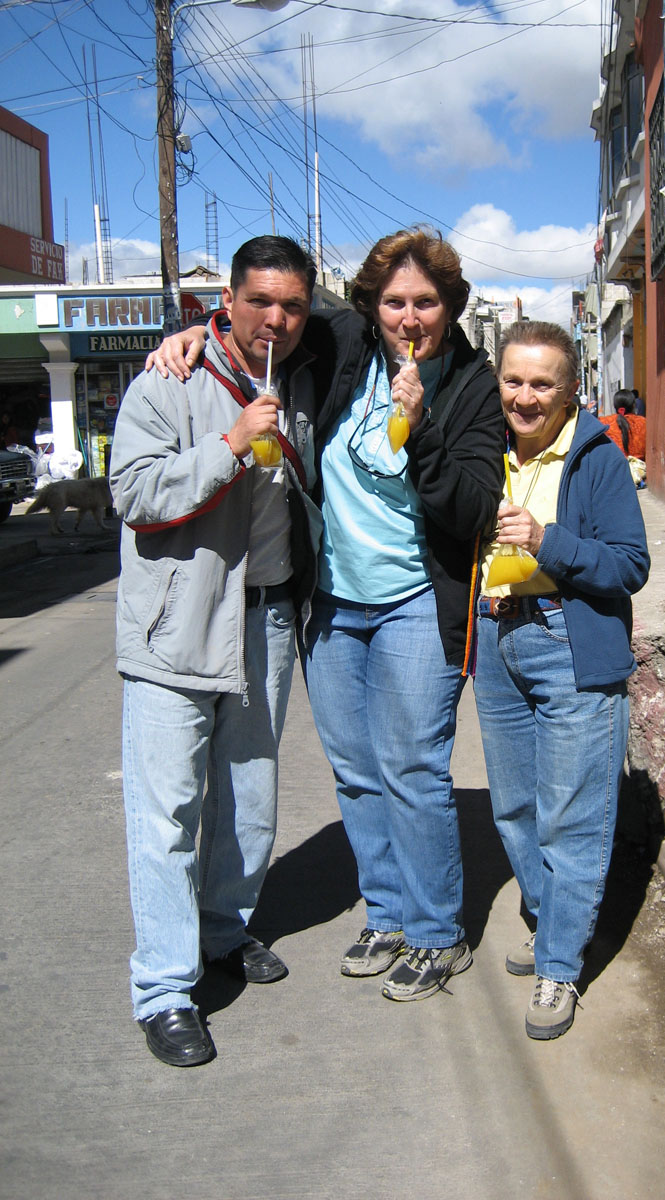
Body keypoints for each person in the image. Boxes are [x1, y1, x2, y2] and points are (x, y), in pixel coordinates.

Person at [148, 228, 505, 1003]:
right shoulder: (344, 344)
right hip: (333, 603)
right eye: (394, 301)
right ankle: (387, 913)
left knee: (412, 767)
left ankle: (437, 931)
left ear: (450, 307)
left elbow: (473, 507)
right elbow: (262, 322)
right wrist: (195, 334)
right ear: (371, 306)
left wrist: (424, 427)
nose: (409, 317)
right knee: (356, 770)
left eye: (426, 302)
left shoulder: (472, 383)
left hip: (416, 602)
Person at [111, 235, 322, 1067]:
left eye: (293, 306)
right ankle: (166, 990)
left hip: (264, 622)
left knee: (249, 799)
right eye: (259, 301)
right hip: (176, 626)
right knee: (168, 813)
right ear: (226, 301)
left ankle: (223, 931)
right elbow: (133, 494)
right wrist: (229, 444)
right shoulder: (169, 380)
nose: (276, 319)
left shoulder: (300, 373)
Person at [474, 322, 649, 1040]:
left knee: (572, 816)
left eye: (542, 383)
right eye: (513, 380)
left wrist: (547, 540)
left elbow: (630, 564)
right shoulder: (485, 446)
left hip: (566, 638)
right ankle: (552, 925)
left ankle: (559, 966)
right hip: (497, 635)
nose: (525, 396)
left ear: (571, 388)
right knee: (516, 807)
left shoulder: (597, 456)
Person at [600, 387, 647, 460]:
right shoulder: (644, 422)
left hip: (614, 465)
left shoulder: (604, 423)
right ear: (633, 405)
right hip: (640, 466)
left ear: (615, 406)